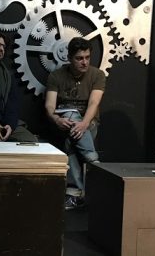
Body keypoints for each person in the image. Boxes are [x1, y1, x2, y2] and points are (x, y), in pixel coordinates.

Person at [44, 37, 105, 210]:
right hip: (64, 123)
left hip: (89, 124)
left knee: (70, 138)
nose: (84, 62)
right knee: (70, 116)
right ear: (69, 57)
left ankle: (74, 193)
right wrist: (57, 119)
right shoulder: (56, 76)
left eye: (87, 57)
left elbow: (94, 103)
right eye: (79, 58)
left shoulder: (97, 75)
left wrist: (84, 123)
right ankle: (93, 162)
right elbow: (49, 106)